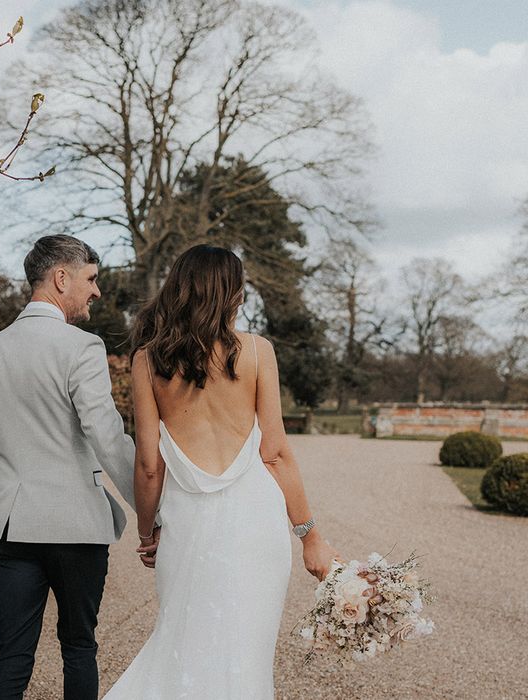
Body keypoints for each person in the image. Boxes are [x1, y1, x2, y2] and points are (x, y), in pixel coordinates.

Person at [103, 244, 340, 699]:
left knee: (182, 644)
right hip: (255, 527)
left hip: (187, 529)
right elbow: (275, 454)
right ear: (231, 294)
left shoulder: (148, 361)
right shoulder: (256, 352)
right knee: (245, 657)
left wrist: (148, 532)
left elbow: (148, 465)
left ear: (179, 289)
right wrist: (310, 535)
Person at [0, 234, 136, 700]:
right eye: (91, 278)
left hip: (11, 530)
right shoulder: (82, 347)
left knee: (12, 656)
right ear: (61, 278)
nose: (96, 291)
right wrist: (150, 508)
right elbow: (106, 436)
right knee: (79, 647)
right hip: (77, 528)